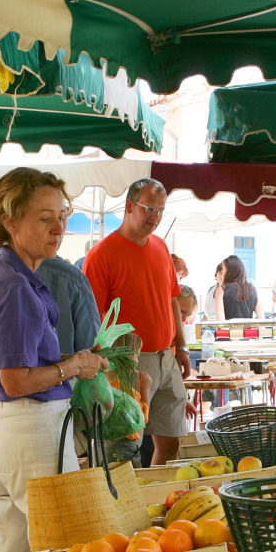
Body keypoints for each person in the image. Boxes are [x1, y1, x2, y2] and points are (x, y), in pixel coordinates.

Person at [0, 169, 108, 552]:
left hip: (10, 429)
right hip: (32, 427)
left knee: (7, 549)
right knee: (59, 551)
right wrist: (74, 366)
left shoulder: (4, 272)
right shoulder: (14, 283)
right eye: (44, 217)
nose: (58, 227)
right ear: (11, 221)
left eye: (62, 215)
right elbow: (17, 379)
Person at [83, 178, 191, 464]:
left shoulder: (160, 248)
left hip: (166, 357)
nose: (154, 217)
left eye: (160, 211)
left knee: (171, 442)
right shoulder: (101, 256)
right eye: (149, 209)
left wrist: (181, 347)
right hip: (127, 362)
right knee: (125, 447)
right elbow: (91, 317)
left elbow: (172, 300)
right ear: (129, 206)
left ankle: (153, 500)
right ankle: (128, 504)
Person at [212, 254, 262, 321]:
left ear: (230, 271)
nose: (222, 273)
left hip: (230, 331)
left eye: (223, 270)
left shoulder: (221, 290)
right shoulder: (252, 289)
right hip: (247, 330)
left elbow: (221, 322)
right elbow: (262, 319)